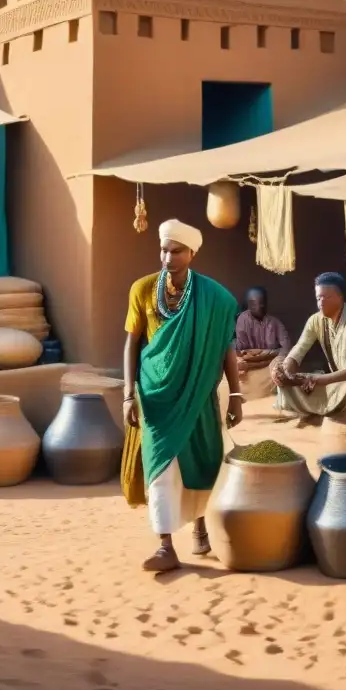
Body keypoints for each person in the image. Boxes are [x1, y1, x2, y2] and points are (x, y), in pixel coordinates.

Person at [120, 219, 242, 573]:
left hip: (199, 391)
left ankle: (200, 528)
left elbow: (225, 346)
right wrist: (129, 393)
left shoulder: (215, 297)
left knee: (200, 458)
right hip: (155, 395)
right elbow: (132, 343)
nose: (168, 257)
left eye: (176, 251)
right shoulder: (142, 290)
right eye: (163, 250)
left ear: (192, 253)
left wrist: (235, 394)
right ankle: (164, 545)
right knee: (160, 465)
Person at [272, 272, 346, 416]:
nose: (321, 302)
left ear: (340, 298)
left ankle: (317, 405)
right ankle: (321, 406)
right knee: (286, 385)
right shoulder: (315, 320)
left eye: (327, 297)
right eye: (318, 298)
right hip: (336, 380)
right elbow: (299, 349)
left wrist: (316, 379)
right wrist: (287, 372)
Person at [233, 286, 292, 399]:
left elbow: (287, 348)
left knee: (284, 369)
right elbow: (241, 352)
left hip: (269, 366)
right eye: (254, 303)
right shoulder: (242, 319)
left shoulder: (274, 322)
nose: (260, 306)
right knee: (234, 368)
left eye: (262, 303)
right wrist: (267, 353)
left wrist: (265, 354)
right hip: (248, 366)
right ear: (248, 304)